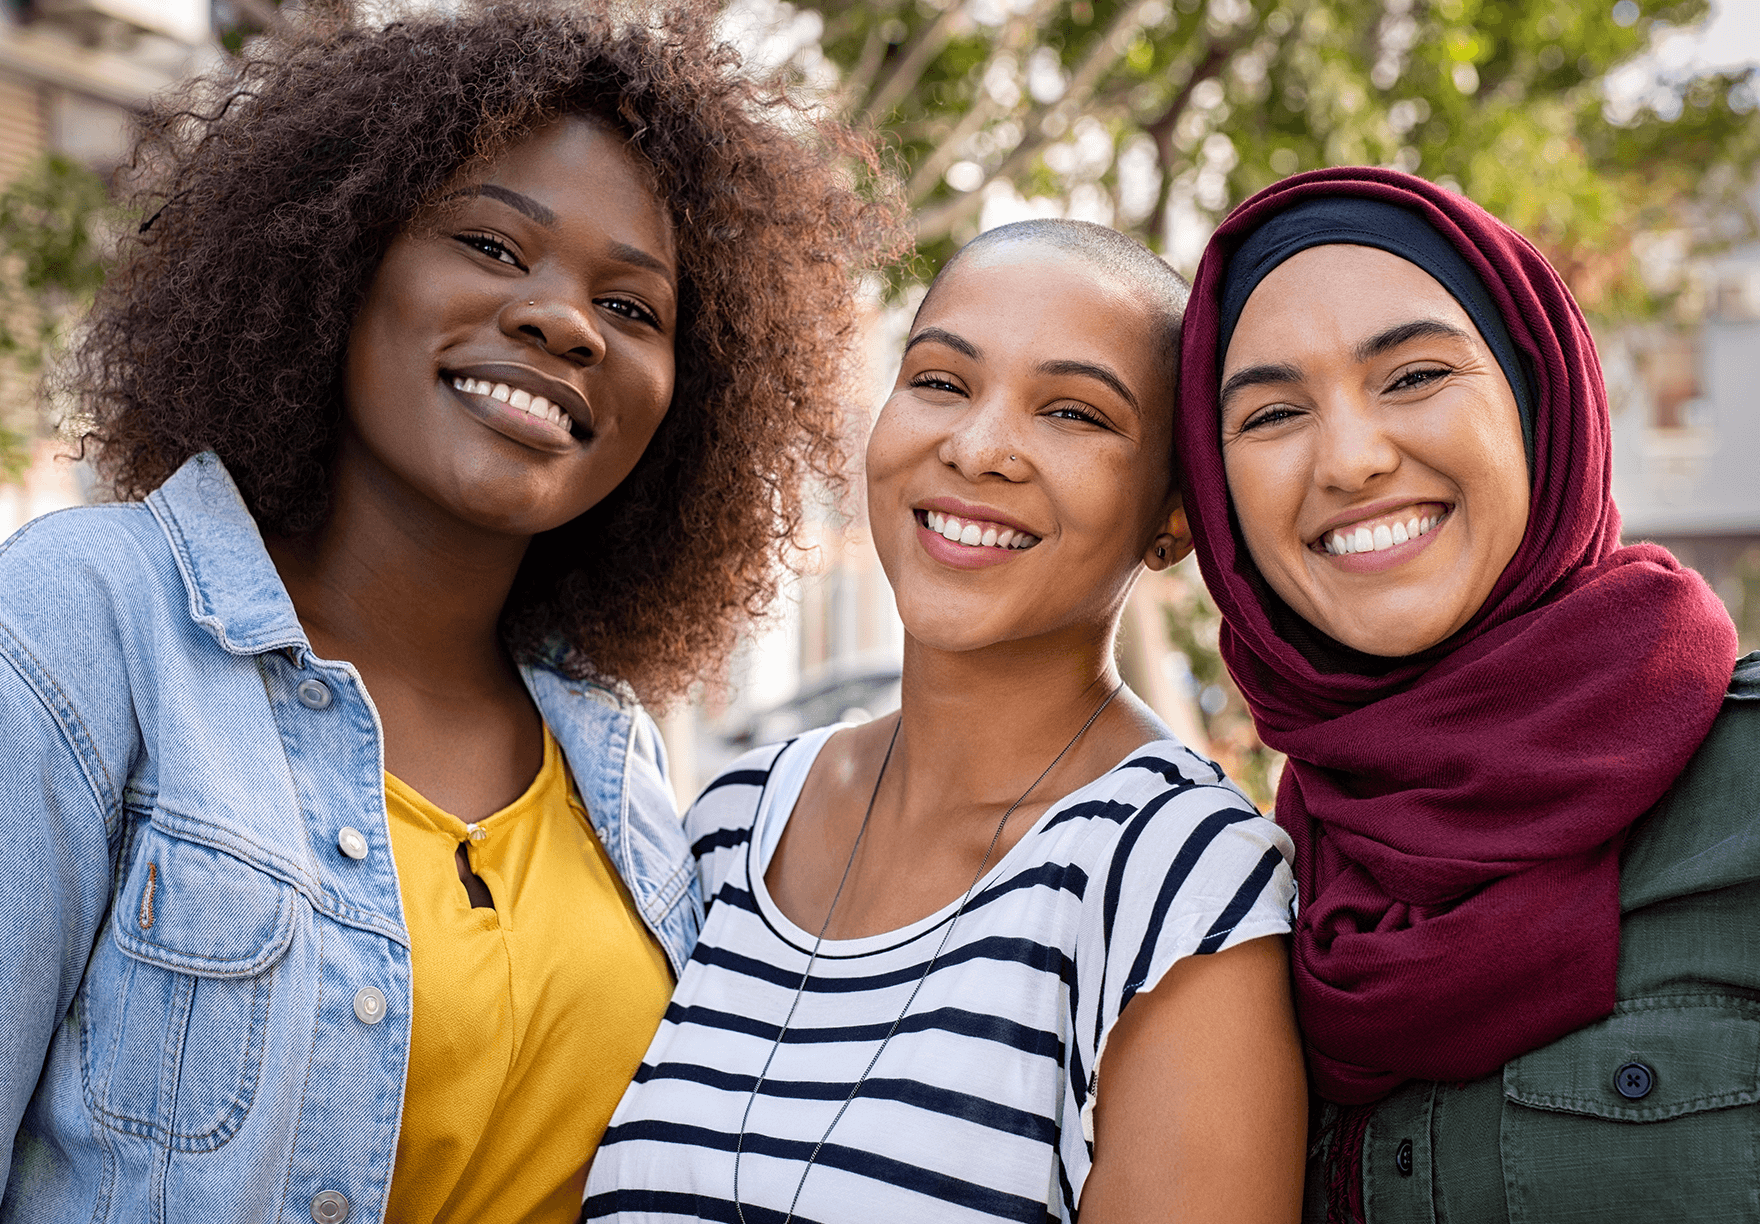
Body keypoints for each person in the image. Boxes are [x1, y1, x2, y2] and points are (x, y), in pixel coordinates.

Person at [0, 4, 904, 1221]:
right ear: (339, 259)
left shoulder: (612, 758)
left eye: (633, 309)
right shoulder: (86, 627)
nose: (564, 320)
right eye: (489, 245)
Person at [586, 218, 1307, 1224]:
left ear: (1173, 518)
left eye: (1072, 412)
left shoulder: (1177, 880)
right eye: (938, 381)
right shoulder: (734, 819)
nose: (976, 448)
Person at [1171, 166, 1756, 1223]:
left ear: (1539, 400)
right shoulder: (1236, 896)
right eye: (1269, 414)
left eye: (1410, 377)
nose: (1349, 459)